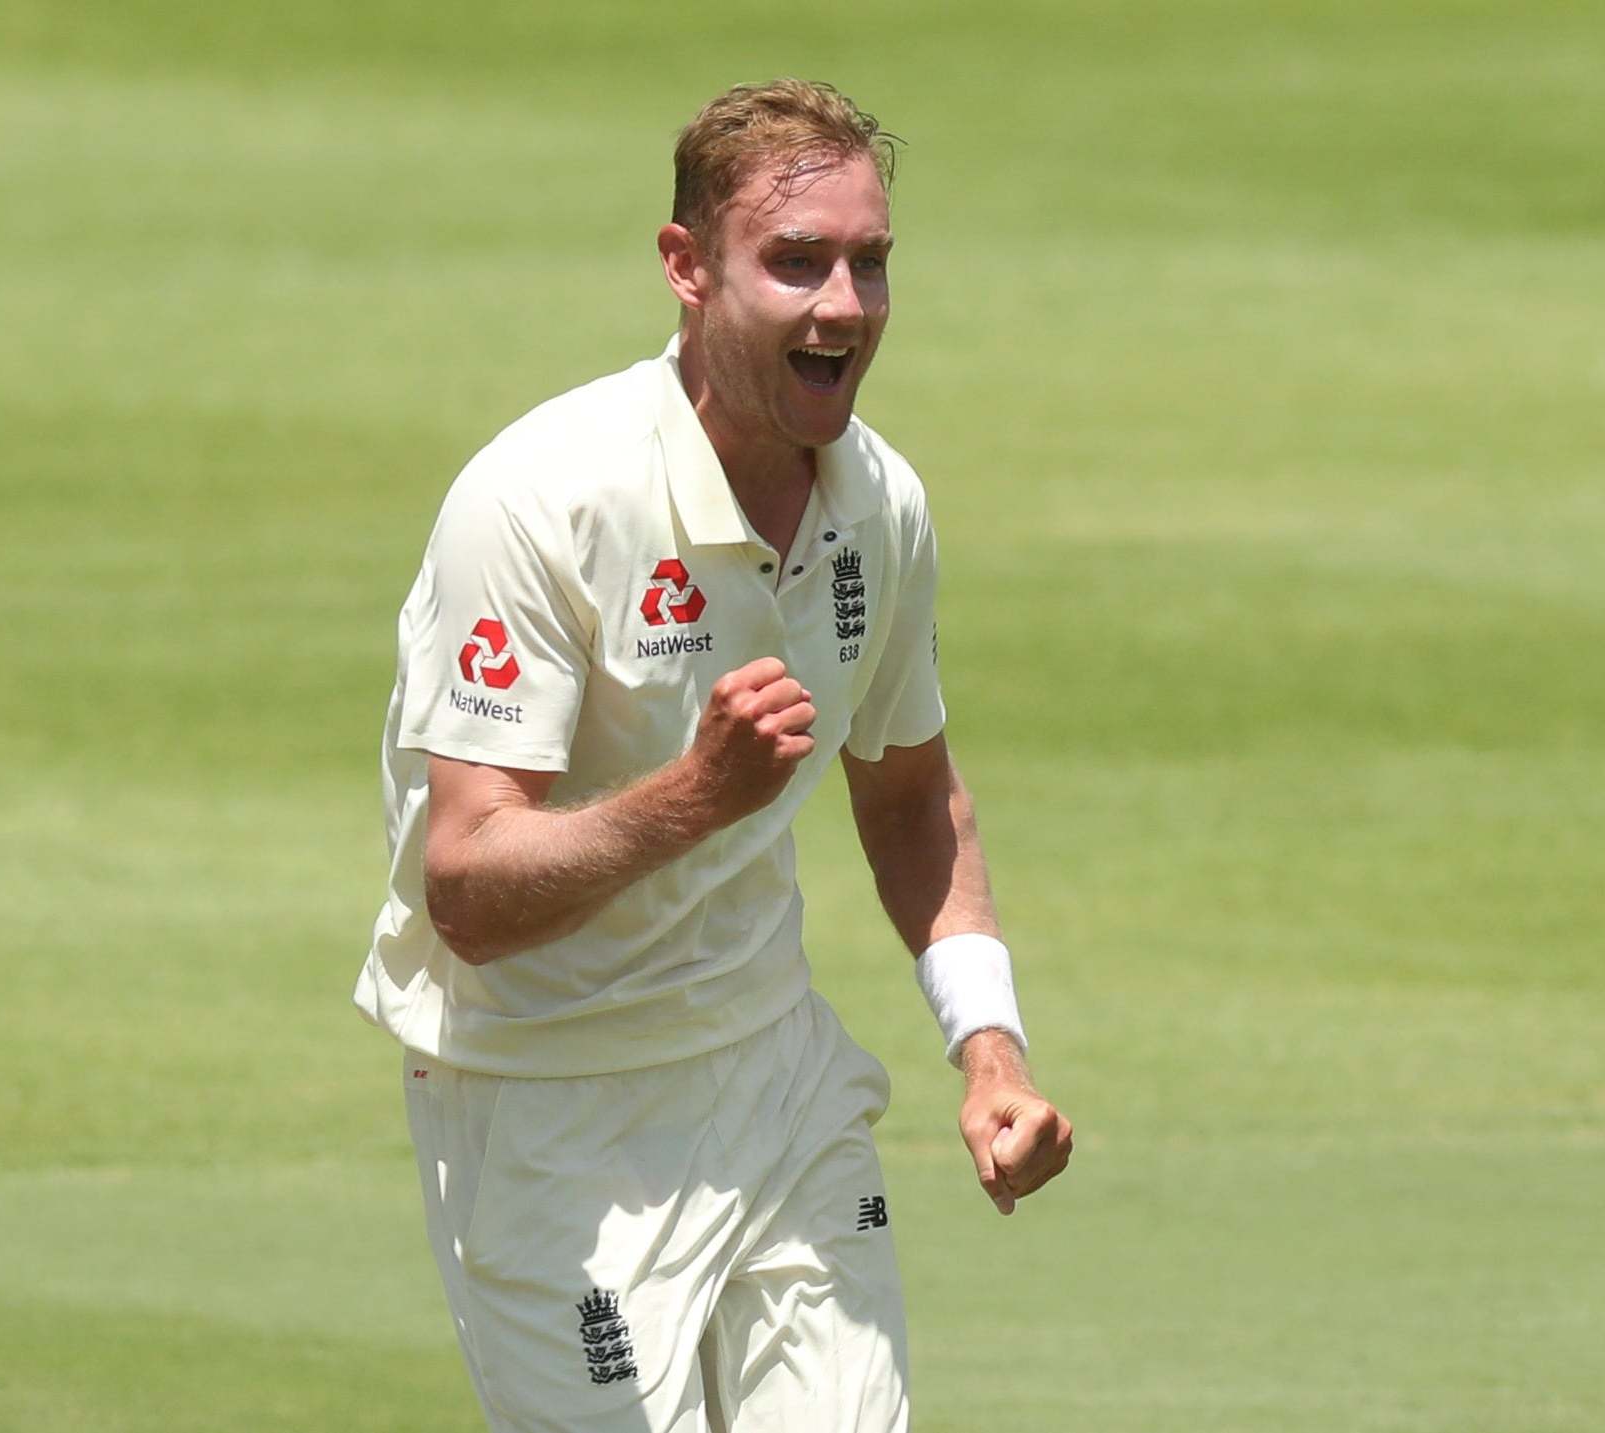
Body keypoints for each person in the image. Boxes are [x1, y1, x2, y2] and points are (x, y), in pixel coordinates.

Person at [354, 78, 1073, 1433]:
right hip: (546, 1110)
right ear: (687, 268)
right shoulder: (539, 499)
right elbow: (463, 885)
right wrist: (694, 797)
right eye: (795, 263)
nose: (844, 307)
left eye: (870, 263)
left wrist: (990, 1052)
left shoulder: (881, 501)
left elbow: (911, 792)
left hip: (772, 1074)